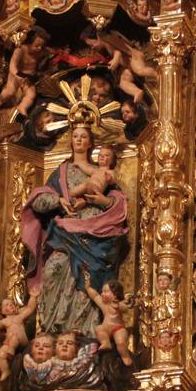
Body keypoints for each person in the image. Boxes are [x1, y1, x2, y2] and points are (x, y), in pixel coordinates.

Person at [21, 126, 130, 337]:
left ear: (91, 144)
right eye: (75, 136)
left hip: (94, 231)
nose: (79, 140)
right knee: (53, 269)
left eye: (84, 137)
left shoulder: (101, 171)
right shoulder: (62, 173)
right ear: (71, 141)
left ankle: (84, 333)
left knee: (86, 280)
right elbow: (39, 202)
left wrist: (103, 201)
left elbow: (120, 204)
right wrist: (59, 199)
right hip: (65, 233)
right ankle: (51, 329)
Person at [0, 27, 51, 118]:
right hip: (16, 75)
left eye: (41, 46)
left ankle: (22, 108)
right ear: (29, 42)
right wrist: (18, 75)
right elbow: (12, 66)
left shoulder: (41, 52)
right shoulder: (20, 50)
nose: (39, 48)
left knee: (31, 94)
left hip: (28, 78)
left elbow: (50, 51)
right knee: (10, 92)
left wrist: (61, 52)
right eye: (37, 45)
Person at [82, 271, 134, 366]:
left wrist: (118, 305)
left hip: (117, 328)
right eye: (102, 291)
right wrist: (87, 286)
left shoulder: (119, 304)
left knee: (121, 342)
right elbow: (94, 295)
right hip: (106, 328)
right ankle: (105, 342)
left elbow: (125, 308)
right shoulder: (103, 304)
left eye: (106, 291)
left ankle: (125, 356)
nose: (102, 294)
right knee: (99, 328)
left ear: (115, 294)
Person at [0, 292, 39, 382]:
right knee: (1, 354)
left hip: (22, 340)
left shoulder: (19, 317)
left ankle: (11, 349)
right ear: (3, 311)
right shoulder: (4, 321)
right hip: (10, 341)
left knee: (14, 337)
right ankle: (5, 371)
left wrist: (33, 297)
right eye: (7, 305)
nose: (11, 306)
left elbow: (30, 308)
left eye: (12, 304)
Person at [62, 144, 118, 214]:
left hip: (96, 190)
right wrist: (79, 165)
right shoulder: (96, 170)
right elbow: (87, 169)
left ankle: (71, 194)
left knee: (86, 184)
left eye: (106, 155)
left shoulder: (110, 171)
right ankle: (69, 195)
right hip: (89, 187)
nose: (102, 157)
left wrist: (109, 179)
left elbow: (114, 179)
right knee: (85, 185)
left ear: (112, 160)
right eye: (100, 155)